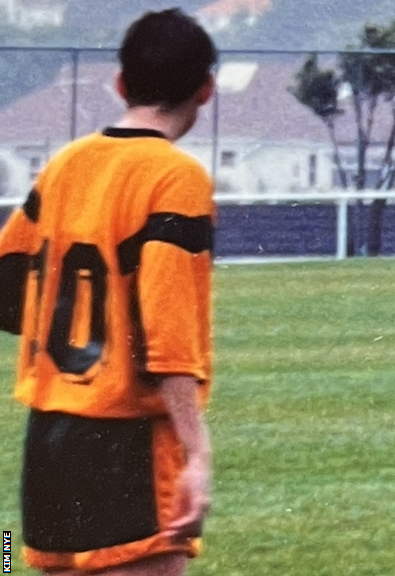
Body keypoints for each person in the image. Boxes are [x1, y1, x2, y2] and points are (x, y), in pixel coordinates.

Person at [0, 9, 218, 576]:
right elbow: (166, 330)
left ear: (121, 84)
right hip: (126, 447)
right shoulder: (176, 177)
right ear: (206, 89)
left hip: (48, 441)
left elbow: (5, 289)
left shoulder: (65, 165)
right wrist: (197, 454)